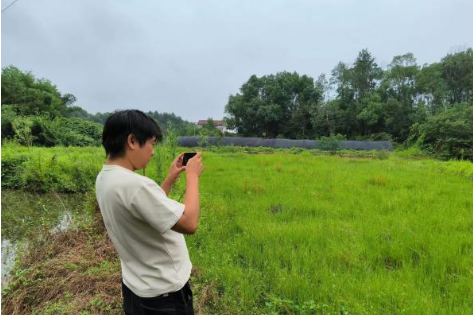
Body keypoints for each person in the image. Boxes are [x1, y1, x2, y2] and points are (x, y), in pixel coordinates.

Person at [95, 110, 204, 315]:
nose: (153, 152)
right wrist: (193, 176)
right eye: (152, 143)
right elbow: (189, 223)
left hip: (136, 289)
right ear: (133, 141)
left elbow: (148, 208)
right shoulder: (135, 184)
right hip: (164, 298)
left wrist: (170, 177)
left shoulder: (105, 177)